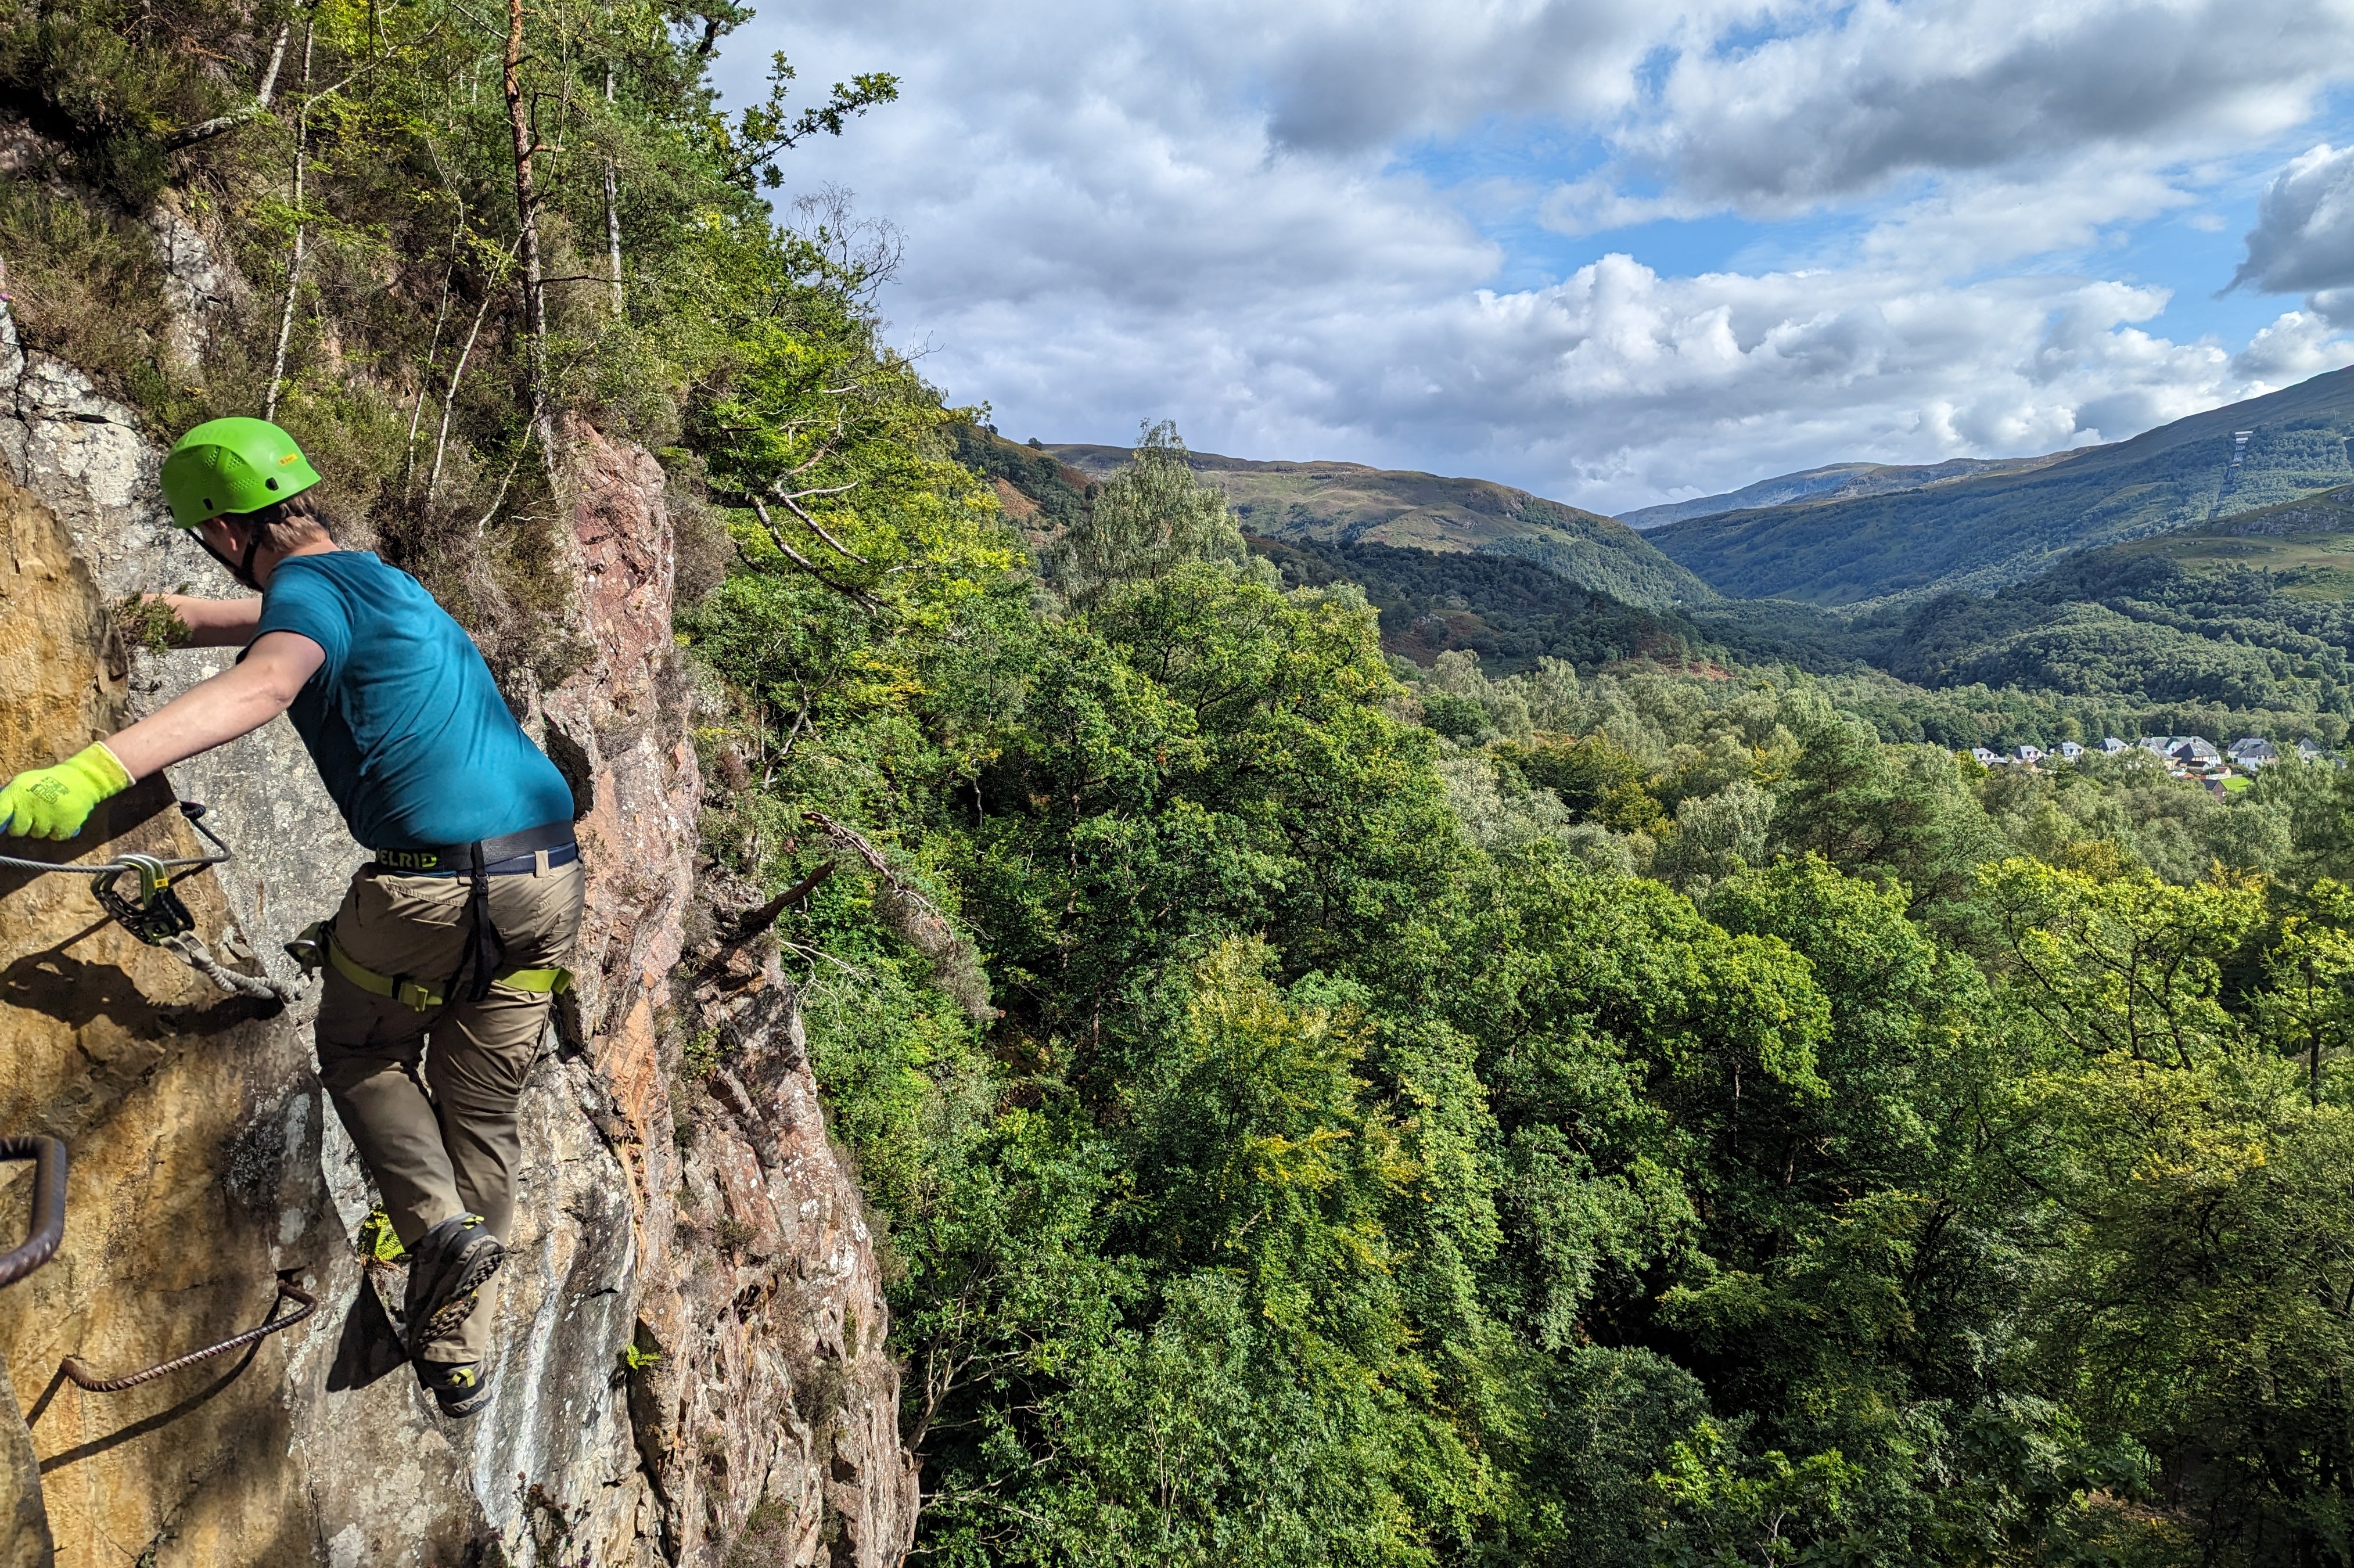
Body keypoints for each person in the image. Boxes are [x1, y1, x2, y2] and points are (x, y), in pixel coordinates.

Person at [0, 417, 583, 1417]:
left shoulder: (306, 597)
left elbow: (268, 677)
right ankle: (460, 1349)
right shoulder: (378, 579)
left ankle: (441, 1234)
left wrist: (94, 772)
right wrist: (142, 616)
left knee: (362, 1053)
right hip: (547, 881)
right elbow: (262, 620)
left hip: (426, 888)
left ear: (224, 529)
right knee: (481, 1107)